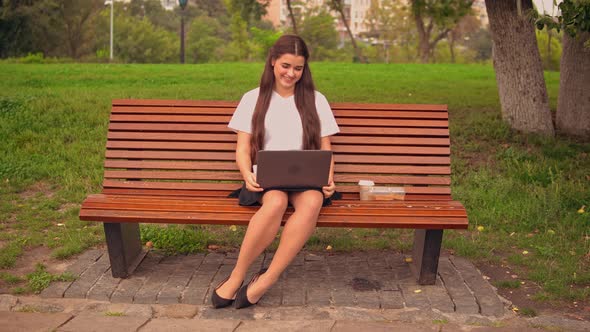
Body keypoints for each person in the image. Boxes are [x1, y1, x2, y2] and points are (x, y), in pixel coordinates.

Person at [212, 34, 340, 309]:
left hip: (307, 178)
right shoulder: (253, 98)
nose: (291, 73)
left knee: (313, 201)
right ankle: (237, 276)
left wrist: (328, 179)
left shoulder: (316, 100)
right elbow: (243, 149)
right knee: (276, 202)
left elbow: (325, 148)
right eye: (285, 65)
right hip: (266, 179)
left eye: (298, 68)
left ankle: (268, 278)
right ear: (272, 62)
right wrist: (247, 174)